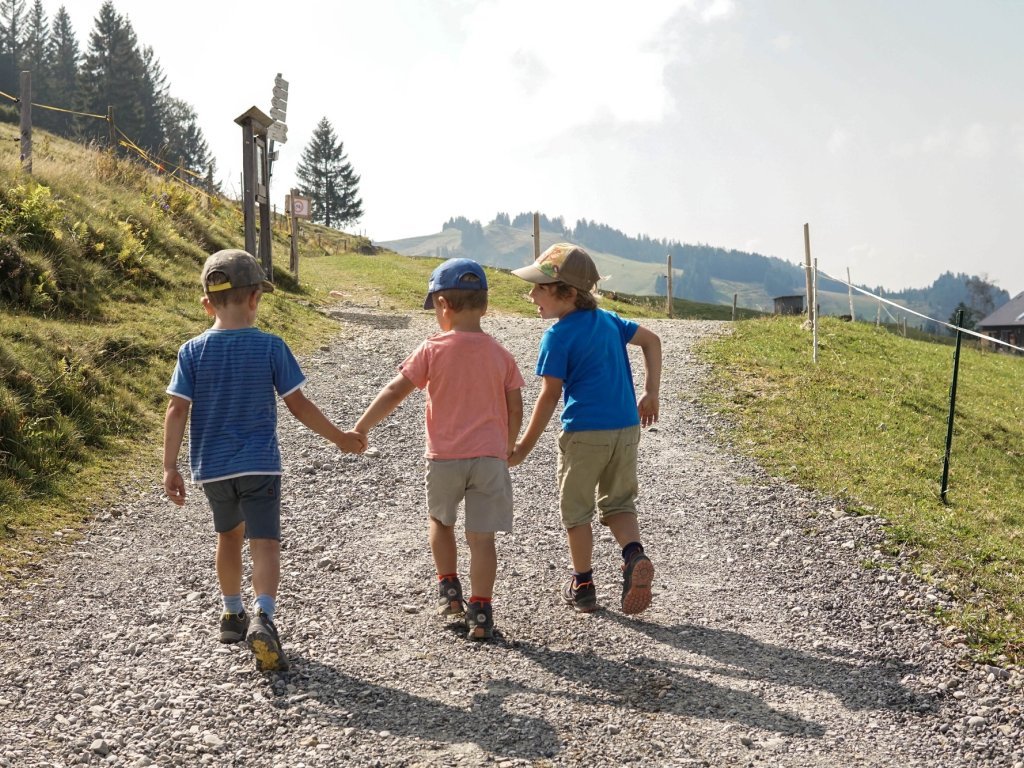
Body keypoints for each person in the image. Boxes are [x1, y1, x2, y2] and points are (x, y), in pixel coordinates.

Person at [163, 249, 366, 672]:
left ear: (206, 303)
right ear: (255, 298)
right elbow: (299, 405)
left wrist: (170, 466)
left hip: (213, 469)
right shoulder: (271, 346)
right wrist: (339, 438)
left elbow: (176, 410)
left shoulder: (191, 351)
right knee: (265, 542)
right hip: (259, 465)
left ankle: (231, 613)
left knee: (228, 538)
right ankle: (264, 616)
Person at [354, 258, 524, 640]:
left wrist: (362, 427)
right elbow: (515, 406)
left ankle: (449, 594)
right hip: (489, 459)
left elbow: (394, 391)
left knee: (441, 523)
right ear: (484, 305)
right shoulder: (501, 354)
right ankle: (481, 612)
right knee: (482, 538)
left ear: (443, 307)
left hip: (445, 458)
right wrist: (508, 445)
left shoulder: (431, 349)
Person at [509, 243, 662, 615]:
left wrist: (523, 446)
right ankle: (632, 555)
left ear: (567, 292)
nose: (531, 296)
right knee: (619, 504)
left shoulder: (557, 336)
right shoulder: (610, 321)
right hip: (626, 429)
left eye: (538, 288)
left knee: (577, 513)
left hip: (584, 435)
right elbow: (652, 341)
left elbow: (549, 397)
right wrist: (651, 392)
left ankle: (584, 585)